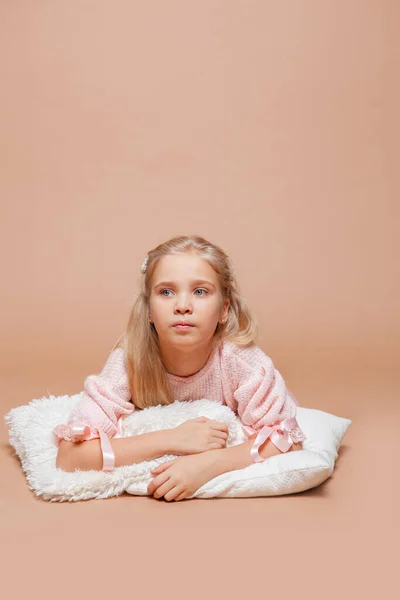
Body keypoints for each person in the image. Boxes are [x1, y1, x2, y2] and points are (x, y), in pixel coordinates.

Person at [53, 234, 306, 501]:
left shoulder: (243, 362)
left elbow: (289, 440)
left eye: (200, 292)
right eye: (166, 292)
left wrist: (207, 465)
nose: (183, 306)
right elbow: (70, 456)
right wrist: (173, 439)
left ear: (224, 310)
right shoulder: (129, 361)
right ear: (149, 310)